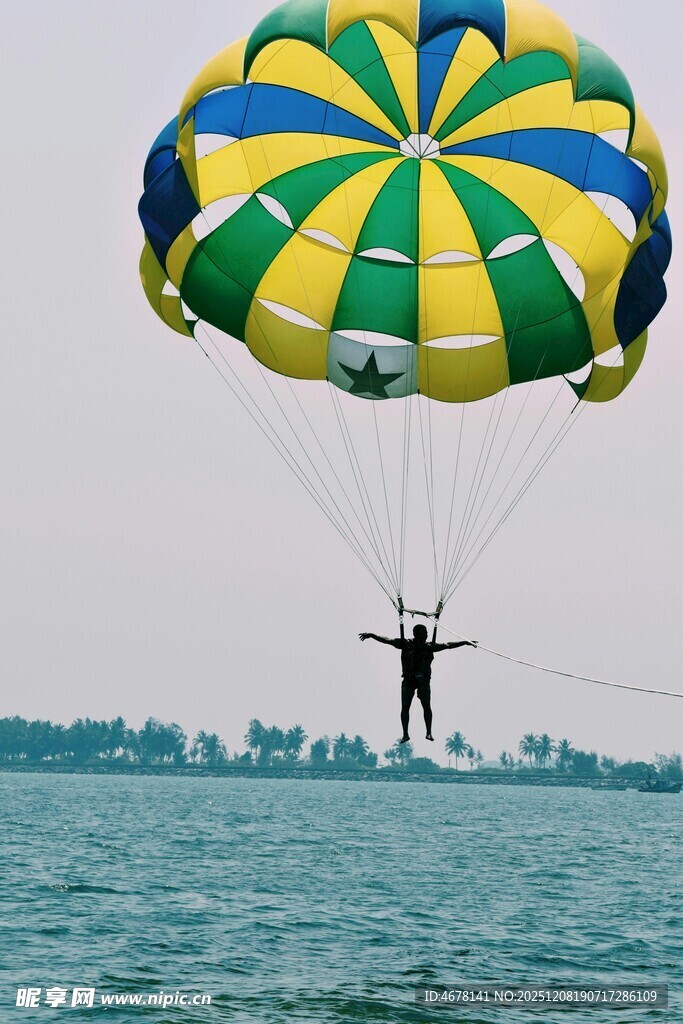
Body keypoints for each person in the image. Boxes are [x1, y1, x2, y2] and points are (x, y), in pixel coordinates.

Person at [359, 623, 477, 743]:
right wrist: (372, 635)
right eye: (423, 634)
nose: (426, 636)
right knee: (405, 707)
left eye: (426, 634)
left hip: (423, 681)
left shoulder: (429, 646)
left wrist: (465, 642)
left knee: (426, 706)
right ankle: (405, 733)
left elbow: (448, 645)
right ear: (416, 634)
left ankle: (428, 732)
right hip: (408, 680)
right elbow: (387, 640)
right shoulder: (406, 644)